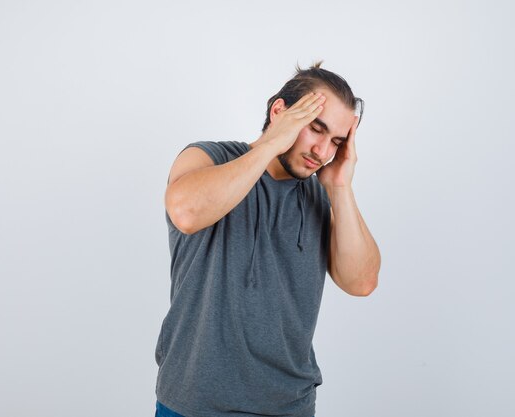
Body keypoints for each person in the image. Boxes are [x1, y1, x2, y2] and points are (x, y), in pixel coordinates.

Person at [154, 61, 381, 417]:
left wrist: (340, 186)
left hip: (289, 406)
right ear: (280, 111)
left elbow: (362, 282)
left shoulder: (323, 193)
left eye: (335, 141)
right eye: (314, 129)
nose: (322, 152)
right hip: (193, 403)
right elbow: (186, 212)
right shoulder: (209, 157)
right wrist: (272, 143)